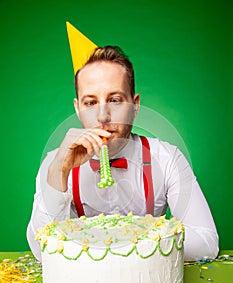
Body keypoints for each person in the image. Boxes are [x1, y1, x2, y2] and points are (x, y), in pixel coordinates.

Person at [27, 46, 219, 262]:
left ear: (134, 106)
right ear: (78, 108)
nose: (102, 116)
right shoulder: (55, 162)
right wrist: (57, 173)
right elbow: (41, 251)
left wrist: (125, 242)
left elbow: (206, 243)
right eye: (90, 103)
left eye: (115, 100)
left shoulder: (167, 158)